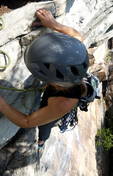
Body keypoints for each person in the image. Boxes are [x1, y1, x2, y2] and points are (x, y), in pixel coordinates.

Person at [0, 9, 89, 149]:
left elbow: (27, 122)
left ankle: (42, 141)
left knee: (45, 124)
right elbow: (76, 36)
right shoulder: (77, 53)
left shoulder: (62, 104)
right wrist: (53, 23)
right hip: (63, 86)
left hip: (58, 101)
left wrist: (2, 104)